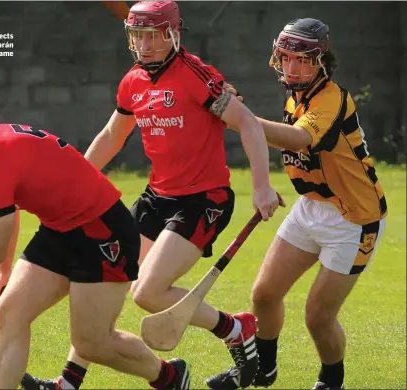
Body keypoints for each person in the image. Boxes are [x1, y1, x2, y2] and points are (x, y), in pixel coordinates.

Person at [21, 1, 280, 389]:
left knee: (148, 292)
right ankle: (68, 382)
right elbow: (112, 135)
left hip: (203, 201)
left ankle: (234, 328)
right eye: (136, 35)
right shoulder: (133, 81)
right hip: (156, 198)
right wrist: (76, 182)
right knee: (106, 277)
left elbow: (247, 124)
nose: (143, 44)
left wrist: (261, 185)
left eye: (151, 34)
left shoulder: (197, 76)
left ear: (173, 34)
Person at [0, 89, 193, 390]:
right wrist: (4, 268)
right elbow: (6, 212)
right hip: (59, 229)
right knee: (9, 314)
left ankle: (169, 377)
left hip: (102, 230)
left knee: (91, 344)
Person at [211, 18, 388, 390]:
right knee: (264, 295)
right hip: (310, 207)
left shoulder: (333, 98)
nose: (293, 67)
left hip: (354, 219)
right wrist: (238, 112)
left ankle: (331, 381)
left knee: (318, 317)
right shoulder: (296, 95)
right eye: (287, 57)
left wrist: (239, 116)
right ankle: (264, 370)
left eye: (303, 60)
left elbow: (296, 139)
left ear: (322, 62)